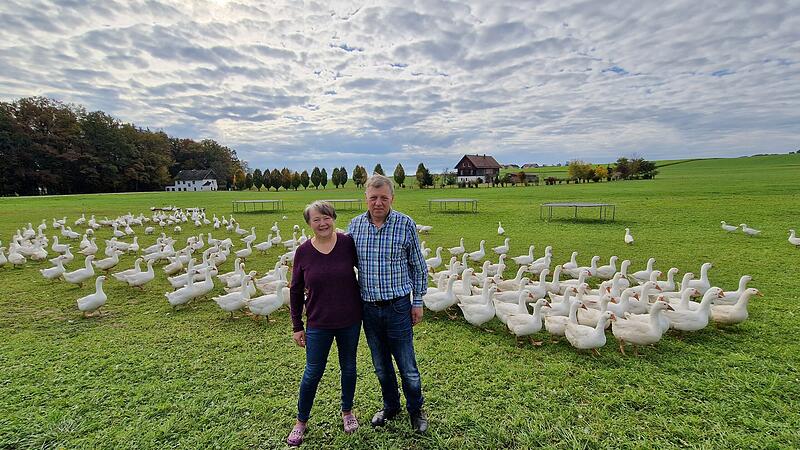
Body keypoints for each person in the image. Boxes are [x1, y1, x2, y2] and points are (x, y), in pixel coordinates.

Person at [347, 174, 430, 433]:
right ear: (366, 199)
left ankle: (416, 410)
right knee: (381, 365)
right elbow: (340, 265)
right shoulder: (354, 226)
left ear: (392, 198)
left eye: (384, 198)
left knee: (407, 366)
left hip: (398, 307)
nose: (378, 203)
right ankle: (391, 406)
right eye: (373, 198)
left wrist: (417, 302)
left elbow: (418, 267)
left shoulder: (405, 224)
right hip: (369, 309)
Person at [287, 201, 363, 446]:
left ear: (334, 218)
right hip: (318, 322)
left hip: (350, 319)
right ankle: (301, 421)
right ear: (309, 223)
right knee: (313, 372)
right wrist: (297, 325)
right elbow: (296, 290)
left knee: (348, 367)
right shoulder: (303, 251)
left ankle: (347, 412)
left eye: (326, 217)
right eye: (316, 219)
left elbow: (369, 269)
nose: (322, 223)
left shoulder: (347, 244)